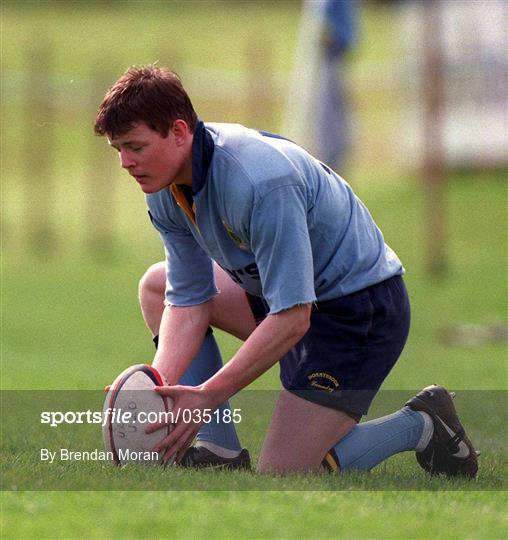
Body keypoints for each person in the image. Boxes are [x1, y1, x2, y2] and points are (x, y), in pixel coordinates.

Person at [94, 65, 478, 477]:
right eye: (118, 149)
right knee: (159, 284)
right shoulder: (163, 185)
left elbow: (294, 318)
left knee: (282, 474)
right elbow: (189, 297)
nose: (125, 162)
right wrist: (157, 384)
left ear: (179, 131)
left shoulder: (260, 181)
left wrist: (208, 394)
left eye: (134, 146)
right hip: (287, 299)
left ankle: (422, 423)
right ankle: (216, 451)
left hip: (358, 314)